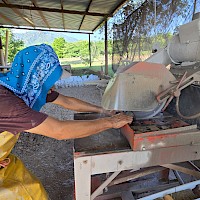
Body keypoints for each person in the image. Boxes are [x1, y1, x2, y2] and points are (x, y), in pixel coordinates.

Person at [0, 44, 133, 199]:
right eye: (50, 81)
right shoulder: (8, 104)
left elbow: (68, 102)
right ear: (37, 77)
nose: (53, 87)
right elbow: (59, 130)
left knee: (34, 191)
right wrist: (110, 122)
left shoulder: (25, 88)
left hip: (4, 161)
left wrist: (103, 111)